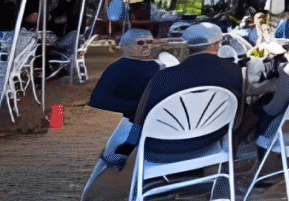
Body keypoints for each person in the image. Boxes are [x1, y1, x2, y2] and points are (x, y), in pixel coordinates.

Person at [132, 22, 244, 161]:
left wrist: (128, 145)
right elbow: (237, 118)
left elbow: (138, 120)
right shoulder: (234, 71)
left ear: (188, 47)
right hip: (210, 141)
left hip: (160, 148)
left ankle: (116, 159)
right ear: (216, 45)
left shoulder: (163, 77)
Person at [87, 29, 162, 171]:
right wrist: (136, 107)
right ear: (126, 45)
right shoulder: (117, 68)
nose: (146, 46)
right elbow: (99, 99)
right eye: (140, 43)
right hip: (133, 120)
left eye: (149, 42)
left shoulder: (157, 65)